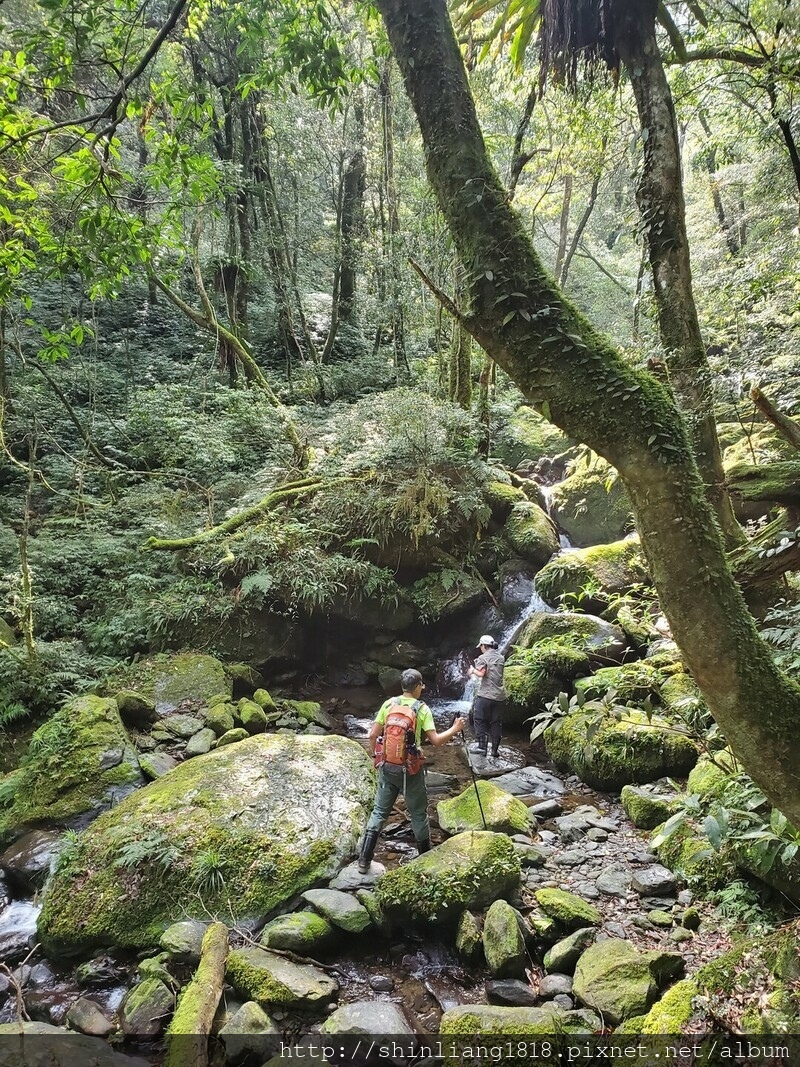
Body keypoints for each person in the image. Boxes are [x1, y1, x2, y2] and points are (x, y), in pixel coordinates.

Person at [358, 668, 465, 874]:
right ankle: (425, 859)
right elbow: (436, 741)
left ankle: (364, 860)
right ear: (417, 687)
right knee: (418, 814)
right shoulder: (421, 709)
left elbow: (372, 735)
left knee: (379, 812)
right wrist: (455, 728)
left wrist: (376, 757)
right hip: (410, 770)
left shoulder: (389, 704)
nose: (422, 688)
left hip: (387, 766)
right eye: (421, 685)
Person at [467, 634, 507, 759]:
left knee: (479, 719)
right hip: (500, 697)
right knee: (496, 723)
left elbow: (481, 673)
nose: (480, 649)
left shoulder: (483, 657)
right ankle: (494, 751)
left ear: (484, 646)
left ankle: (482, 747)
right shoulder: (501, 658)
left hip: (485, 696)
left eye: (481, 647)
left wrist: (472, 670)